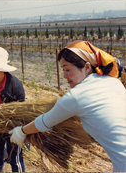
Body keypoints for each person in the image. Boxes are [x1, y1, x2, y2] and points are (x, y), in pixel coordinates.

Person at [9, 40, 126, 172]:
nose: (64, 75)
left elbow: (45, 121)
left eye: (67, 69)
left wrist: (21, 131)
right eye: (63, 70)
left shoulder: (76, 96)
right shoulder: (114, 82)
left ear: (87, 67)